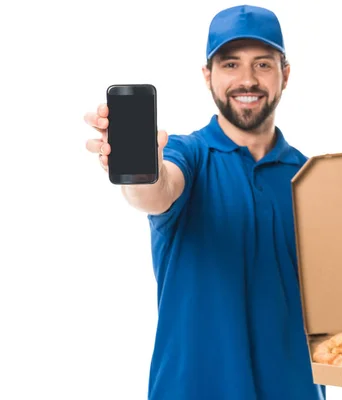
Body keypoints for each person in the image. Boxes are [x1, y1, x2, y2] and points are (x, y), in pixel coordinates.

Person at [83, 5, 326, 400]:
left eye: (262, 64)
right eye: (230, 64)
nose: (247, 79)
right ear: (207, 75)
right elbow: (157, 192)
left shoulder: (311, 177)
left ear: (285, 73)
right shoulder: (188, 155)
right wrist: (139, 169)